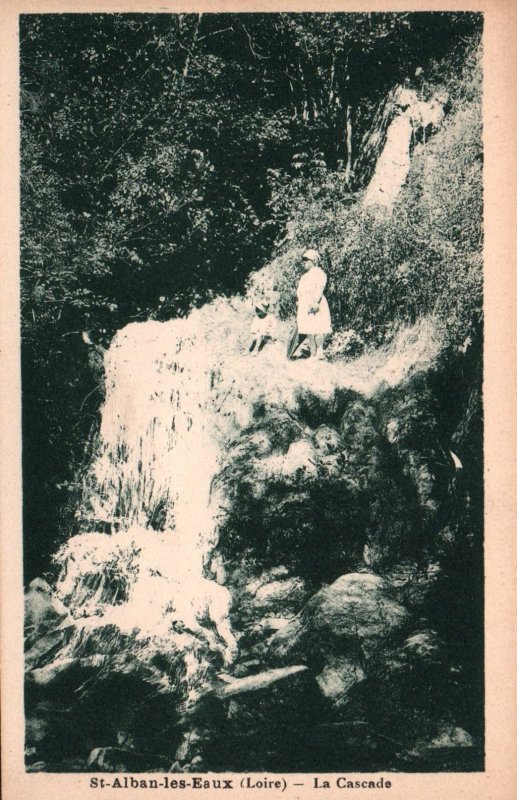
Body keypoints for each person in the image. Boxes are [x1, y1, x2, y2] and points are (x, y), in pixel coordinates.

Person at [288, 249, 332, 360]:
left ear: (314, 260)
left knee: (319, 328)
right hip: (305, 305)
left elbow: (319, 289)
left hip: (316, 304)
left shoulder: (320, 274)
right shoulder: (304, 277)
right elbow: (300, 292)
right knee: (309, 329)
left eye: (306, 260)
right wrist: (300, 302)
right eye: (303, 260)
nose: (304, 262)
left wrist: (315, 302)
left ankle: (320, 352)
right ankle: (313, 353)